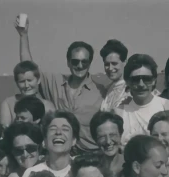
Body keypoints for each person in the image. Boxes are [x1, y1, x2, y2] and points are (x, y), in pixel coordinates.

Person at [16, 15, 106, 153]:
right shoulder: (55, 82)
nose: (80, 65)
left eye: (84, 62)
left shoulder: (101, 91)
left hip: (90, 153)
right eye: (75, 61)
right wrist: (23, 35)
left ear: (90, 63)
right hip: (59, 151)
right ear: (68, 62)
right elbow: (28, 68)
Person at [114, 54, 169, 145]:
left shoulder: (168, 107)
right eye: (135, 79)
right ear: (128, 82)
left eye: (147, 79)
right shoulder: (119, 112)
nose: (141, 84)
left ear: (154, 80)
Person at [0, 61, 56, 127]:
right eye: (22, 81)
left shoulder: (47, 106)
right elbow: (4, 130)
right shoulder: (8, 103)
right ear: (17, 83)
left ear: (38, 80)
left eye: (30, 80)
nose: (26, 85)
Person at [91, 111, 125, 177]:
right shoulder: (91, 169)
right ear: (95, 140)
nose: (108, 141)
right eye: (102, 137)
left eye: (112, 135)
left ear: (120, 135)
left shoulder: (131, 165)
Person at [99, 39, 129, 112]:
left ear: (124, 62)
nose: (110, 68)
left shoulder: (132, 90)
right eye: (106, 64)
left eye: (114, 63)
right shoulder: (107, 90)